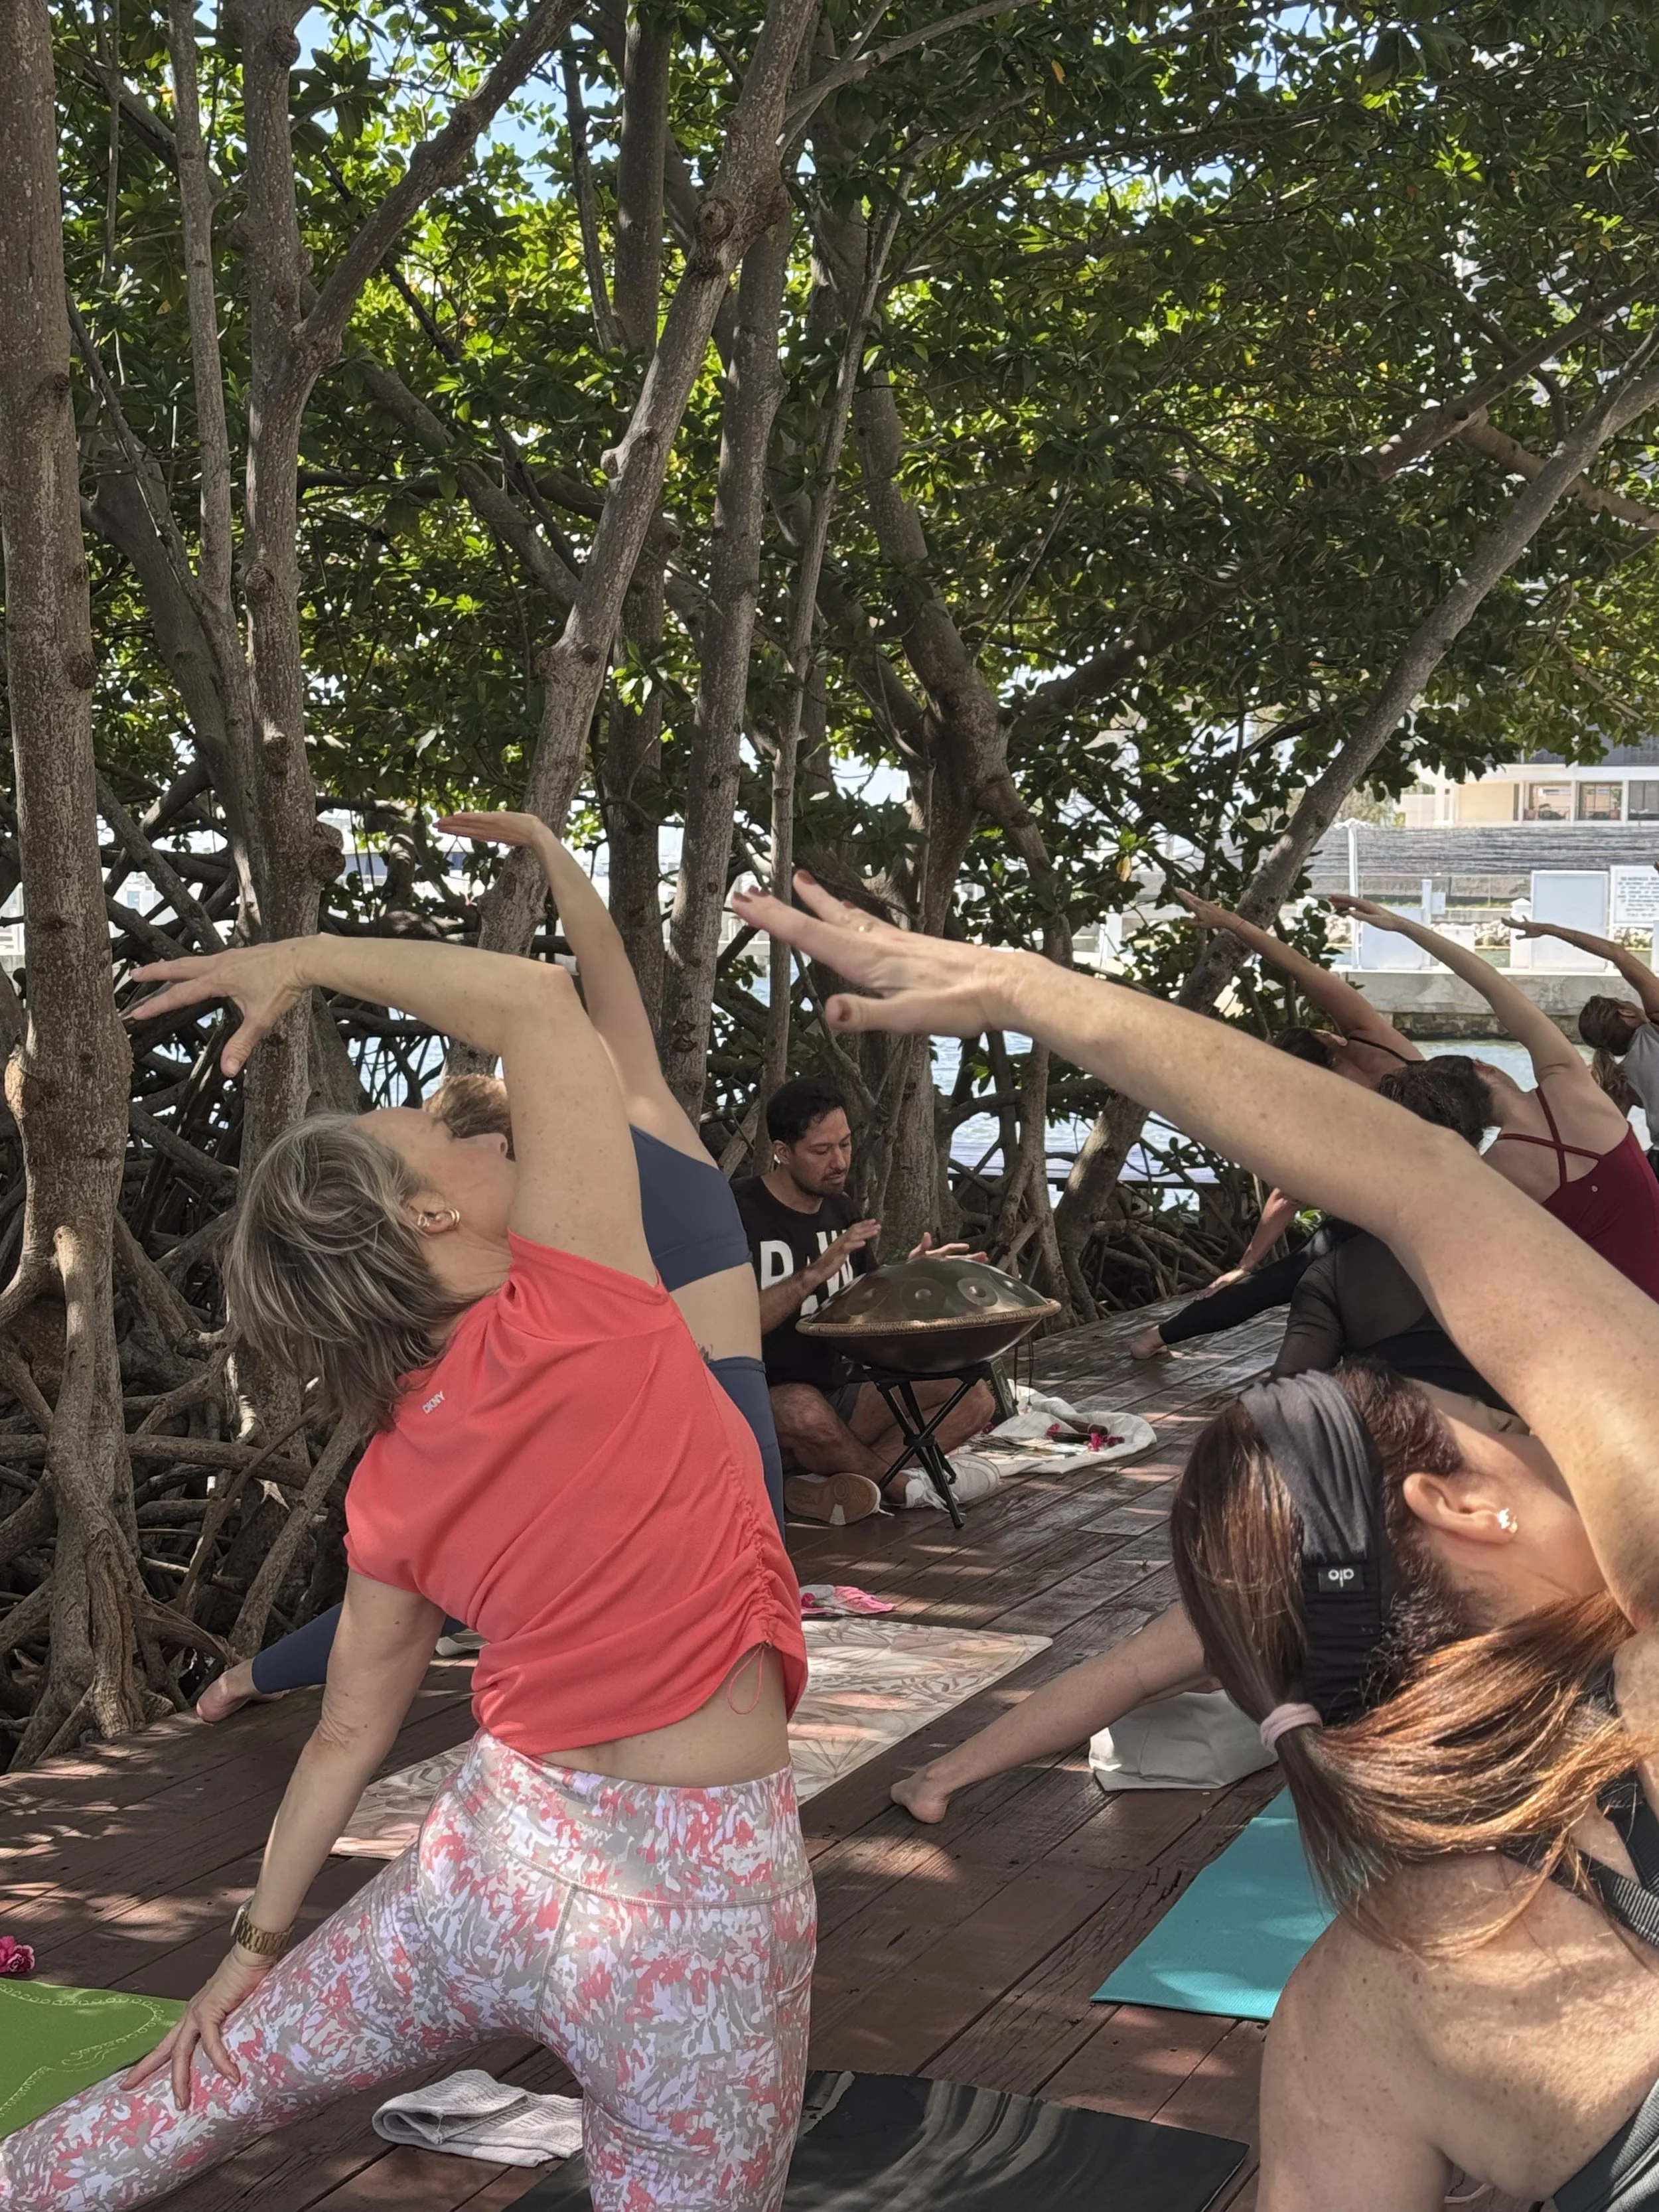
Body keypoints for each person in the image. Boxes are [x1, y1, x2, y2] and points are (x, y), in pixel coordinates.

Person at [733, 868, 1659, 2207]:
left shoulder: (1362, 2005)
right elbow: (1410, 1175)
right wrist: (1023, 986)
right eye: (1487, 1429)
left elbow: (1397, 1180)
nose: (1532, 1430)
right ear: (1457, 1504)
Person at [2, 929, 812, 2211]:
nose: (469, 1109)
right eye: (428, 1119)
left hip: (488, 1869)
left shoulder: (390, 1466)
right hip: (689, 1913)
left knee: (200, 2086)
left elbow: (343, 1737)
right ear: (423, 1211)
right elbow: (543, 1002)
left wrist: (250, 1955)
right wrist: (301, 957)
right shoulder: (585, 1296)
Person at [198, 813, 791, 1722]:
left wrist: (557, 857)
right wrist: (554, 860)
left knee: (450, 1535)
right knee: (463, 1542)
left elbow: (600, 982)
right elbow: (600, 984)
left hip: (691, 1409)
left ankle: (258, 1675)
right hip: (682, 1401)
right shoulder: (591, 1169)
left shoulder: (576, 1171)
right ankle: (267, 1675)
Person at [1127, 890, 1423, 1358]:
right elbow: (1302, 969)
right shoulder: (1379, 1044)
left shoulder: (1325, 1118)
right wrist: (1230, 920)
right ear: (1325, 1040)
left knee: (1280, 1281)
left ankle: (1155, 1338)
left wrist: (1246, 1264)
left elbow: (1288, 1196)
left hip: (1380, 1222)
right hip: (1441, 1205)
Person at [1333, 896, 1659, 1301]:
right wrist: (1403, 926)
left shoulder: (1489, 1177)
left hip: (1606, 1328)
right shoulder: (1570, 1086)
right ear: (1481, 1067)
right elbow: (1491, 985)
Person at [733, 1078, 997, 1514]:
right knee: (803, 1409)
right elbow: (727, 1326)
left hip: (842, 1391)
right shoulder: (738, 1212)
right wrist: (813, 1273)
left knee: (974, 1396)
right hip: (764, 1402)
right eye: (821, 1151)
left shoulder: (841, 1209)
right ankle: (898, 1487)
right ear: (783, 1152)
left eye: (845, 1144)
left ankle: (831, 1483)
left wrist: (914, 1273)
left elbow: (865, 1299)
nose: (839, 1162)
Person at [1508, 915, 1659, 1121]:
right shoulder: (1655, 1028)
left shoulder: (1619, 1079)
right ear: (1626, 1012)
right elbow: (1618, 954)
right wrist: (1550, 928)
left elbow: (1615, 1133)